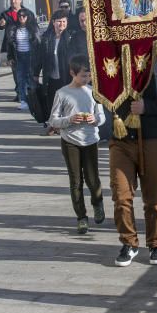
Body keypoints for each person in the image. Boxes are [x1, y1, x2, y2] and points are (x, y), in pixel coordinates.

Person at [110, 65, 157, 267]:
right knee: (120, 194)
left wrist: (148, 107)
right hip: (121, 138)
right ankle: (129, 242)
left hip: (153, 136)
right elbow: (99, 90)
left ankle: (155, 244)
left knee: (153, 196)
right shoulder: (113, 53)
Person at [49, 55, 105, 234]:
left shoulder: (94, 92)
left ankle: (98, 203)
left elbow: (102, 117)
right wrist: (70, 119)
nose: (86, 79)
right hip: (70, 141)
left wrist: (94, 119)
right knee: (75, 180)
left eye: (88, 76)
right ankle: (81, 217)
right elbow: (53, 120)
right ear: (72, 73)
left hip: (90, 140)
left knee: (92, 178)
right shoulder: (62, 93)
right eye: (82, 75)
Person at [33, 10, 72, 134]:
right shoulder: (46, 38)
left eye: (64, 21)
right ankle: (54, 125)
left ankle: (63, 126)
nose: (61, 24)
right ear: (53, 22)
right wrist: (35, 74)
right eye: (59, 21)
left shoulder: (70, 37)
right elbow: (39, 57)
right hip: (50, 76)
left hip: (65, 75)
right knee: (51, 101)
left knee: (65, 101)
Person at [0, 0, 36, 101]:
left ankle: (29, 94)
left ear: (20, 0)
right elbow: (0, 25)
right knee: (16, 73)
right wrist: (1, 23)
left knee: (29, 73)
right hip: (13, 48)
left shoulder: (28, 13)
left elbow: (34, 28)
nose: (13, 1)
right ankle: (20, 92)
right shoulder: (6, 14)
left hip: (27, 49)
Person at [7, 8, 41, 111]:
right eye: (20, 16)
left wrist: (39, 58)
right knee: (20, 79)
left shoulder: (33, 28)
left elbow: (38, 43)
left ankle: (34, 101)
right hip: (19, 57)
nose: (21, 18)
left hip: (30, 56)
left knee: (31, 79)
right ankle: (23, 101)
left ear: (27, 17)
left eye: (24, 16)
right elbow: (10, 44)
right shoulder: (14, 28)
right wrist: (10, 57)